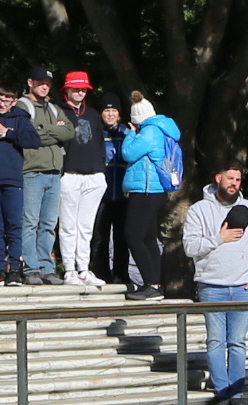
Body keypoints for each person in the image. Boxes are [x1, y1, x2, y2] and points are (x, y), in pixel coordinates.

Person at [182, 162, 248, 405]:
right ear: (218, 178)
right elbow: (190, 247)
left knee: (238, 342)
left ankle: (236, 393)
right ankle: (221, 391)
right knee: (216, 341)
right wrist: (220, 238)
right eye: (230, 178)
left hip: (243, 286)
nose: (234, 184)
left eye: (238, 180)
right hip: (212, 286)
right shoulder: (199, 210)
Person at [120, 96, 180, 301]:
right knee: (148, 237)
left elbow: (127, 153)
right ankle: (155, 284)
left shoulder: (149, 131)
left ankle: (151, 284)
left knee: (133, 236)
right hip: (154, 190)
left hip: (145, 189)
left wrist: (130, 133)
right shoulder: (162, 128)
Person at [18, 68, 75, 284]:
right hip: (32, 171)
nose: (44, 86)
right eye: (41, 82)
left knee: (49, 224)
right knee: (30, 222)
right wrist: (54, 131)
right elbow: (28, 136)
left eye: (48, 84)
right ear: (30, 82)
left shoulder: (53, 107)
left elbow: (70, 131)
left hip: (54, 172)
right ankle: (31, 267)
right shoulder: (23, 106)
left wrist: (44, 130)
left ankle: (47, 267)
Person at [0, 84, 41, 285]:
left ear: (14, 102)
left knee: (14, 226)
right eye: (0, 99)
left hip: (12, 180)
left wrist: (8, 133)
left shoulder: (20, 118)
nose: (2, 104)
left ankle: (15, 269)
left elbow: (34, 141)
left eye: (7, 100)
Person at [57, 72, 108, 287]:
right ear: (67, 89)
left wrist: (101, 173)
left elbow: (100, 145)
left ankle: (84, 269)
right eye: (76, 88)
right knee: (68, 225)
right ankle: (69, 270)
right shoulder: (58, 111)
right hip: (69, 174)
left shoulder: (94, 114)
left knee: (86, 226)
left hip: (93, 175)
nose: (80, 92)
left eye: (83, 89)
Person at [91, 94, 130, 284]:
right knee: (100, 236)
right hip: (102, 194)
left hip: (123, 193)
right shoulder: (97, 132)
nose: (111, 114)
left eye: (114, 110)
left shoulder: (127, 132)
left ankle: (121, 275)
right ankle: (100, 274)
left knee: (122, 237)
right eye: (107, 110)